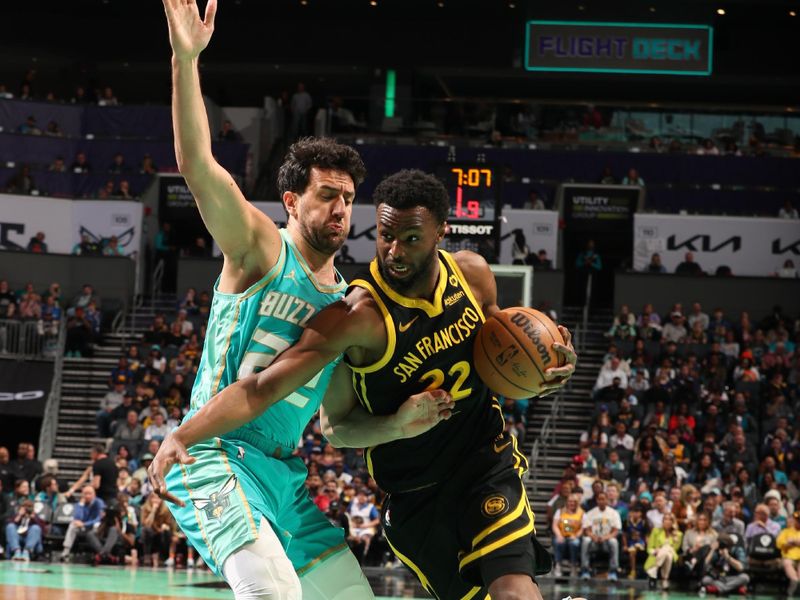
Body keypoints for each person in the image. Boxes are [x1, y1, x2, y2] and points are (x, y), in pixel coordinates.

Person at [149, 169, 578, 600]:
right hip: (415, 495)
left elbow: (504, 353)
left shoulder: (472, 275)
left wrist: (545, 368)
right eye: (386, 236)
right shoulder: (355, 318)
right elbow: (285, 400)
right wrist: (397, 424)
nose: (395, 252)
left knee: (513, 591)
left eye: (411, 239)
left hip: (485, 464)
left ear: (440, 234)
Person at [151, 2, 412, 598]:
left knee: (352, 596)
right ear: (292, 201)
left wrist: (397, 423)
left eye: (349, 196)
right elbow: (196, 164)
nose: (342, 208)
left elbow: (339, 426)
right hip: (215, 452)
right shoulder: (259, 249)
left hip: (284, 475)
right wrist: (186, 60)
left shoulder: (348, 303)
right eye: (327, 194)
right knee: (273, 594)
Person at [580, 491, 621, 581]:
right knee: (585, 540)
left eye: (603, 499)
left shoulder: (614, 513)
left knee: (614, 541)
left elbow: (615, 531)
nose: (601, 501)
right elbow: (587, 530)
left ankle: (613, 571)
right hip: (594, 542)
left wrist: (605, 537)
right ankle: (585, 570)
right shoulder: (590, 513)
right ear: (597, 500)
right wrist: (593, 537)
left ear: (607, 500)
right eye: (599, 499)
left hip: (606, 542)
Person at [60, 485, 105, 561]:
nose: (87, 496)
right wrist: (81, 505)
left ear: (94, 494)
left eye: (89, 493)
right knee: (72, 525)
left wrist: (84, 524)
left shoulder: (99, 503)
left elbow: (99, 519)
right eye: (85, 494)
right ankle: (66, 552)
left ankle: (100, 553)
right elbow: (77, 518)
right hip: (84, 528)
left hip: (95, 528)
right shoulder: (80, 504)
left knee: (96, 525)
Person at [644, 512, 681, 590]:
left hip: (672, 556)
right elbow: (649, 548)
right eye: (665, 519)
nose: (667, 521)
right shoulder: (656, 531)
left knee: (668, 551)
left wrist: (674, 539)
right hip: (656, 555)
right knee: (667, 555)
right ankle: (665, 579)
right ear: (662, 521)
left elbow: (675, 549)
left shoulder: (678, 534)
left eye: (670, 519)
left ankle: (654, 570)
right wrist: (655, 551)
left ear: (673, 522)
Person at [552, 493, 583, 577]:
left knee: (575, 543)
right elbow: (554, 525)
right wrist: (559, 535)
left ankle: (573, 566)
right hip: (562, 535)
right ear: (566, 502)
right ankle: (558, 566)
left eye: (574, 502)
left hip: (574, 536)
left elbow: (583, 528)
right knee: (558, 542)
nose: (572, 503)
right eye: (570, 501)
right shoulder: (560, 511)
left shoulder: (581, 513)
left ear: (577, 503)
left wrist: (576, 536)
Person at [777, 511, 800, 596]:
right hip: (788, 557)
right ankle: (794, 581)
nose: (798, 522)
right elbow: (779, 544)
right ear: (794, 520)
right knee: (787, 563)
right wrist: (793, 542)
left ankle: (796, 588)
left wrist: (793, 542)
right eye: (797, 520)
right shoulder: (786, 531)